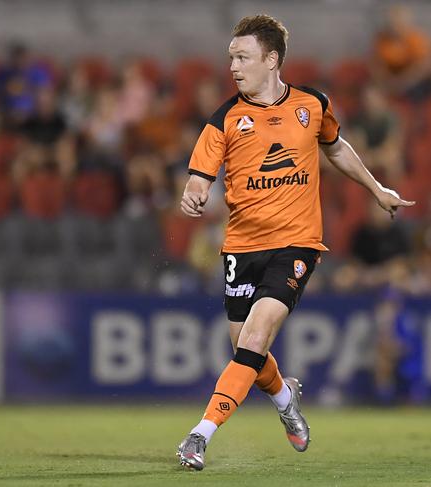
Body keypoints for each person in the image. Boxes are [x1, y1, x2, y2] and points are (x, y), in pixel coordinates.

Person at [176, 14, 415, 471]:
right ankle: (286, 398)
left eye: (242, 57)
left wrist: (376, 189)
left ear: (271, 59)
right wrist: (194, 192)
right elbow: (198, 175)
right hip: (240, 248)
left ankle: (198, 436)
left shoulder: (313, 104)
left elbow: (337, 147)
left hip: (296, 245)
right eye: (231, 57)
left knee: (257, 334)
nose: (233, 66)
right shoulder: (225, 117)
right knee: (248, 350)